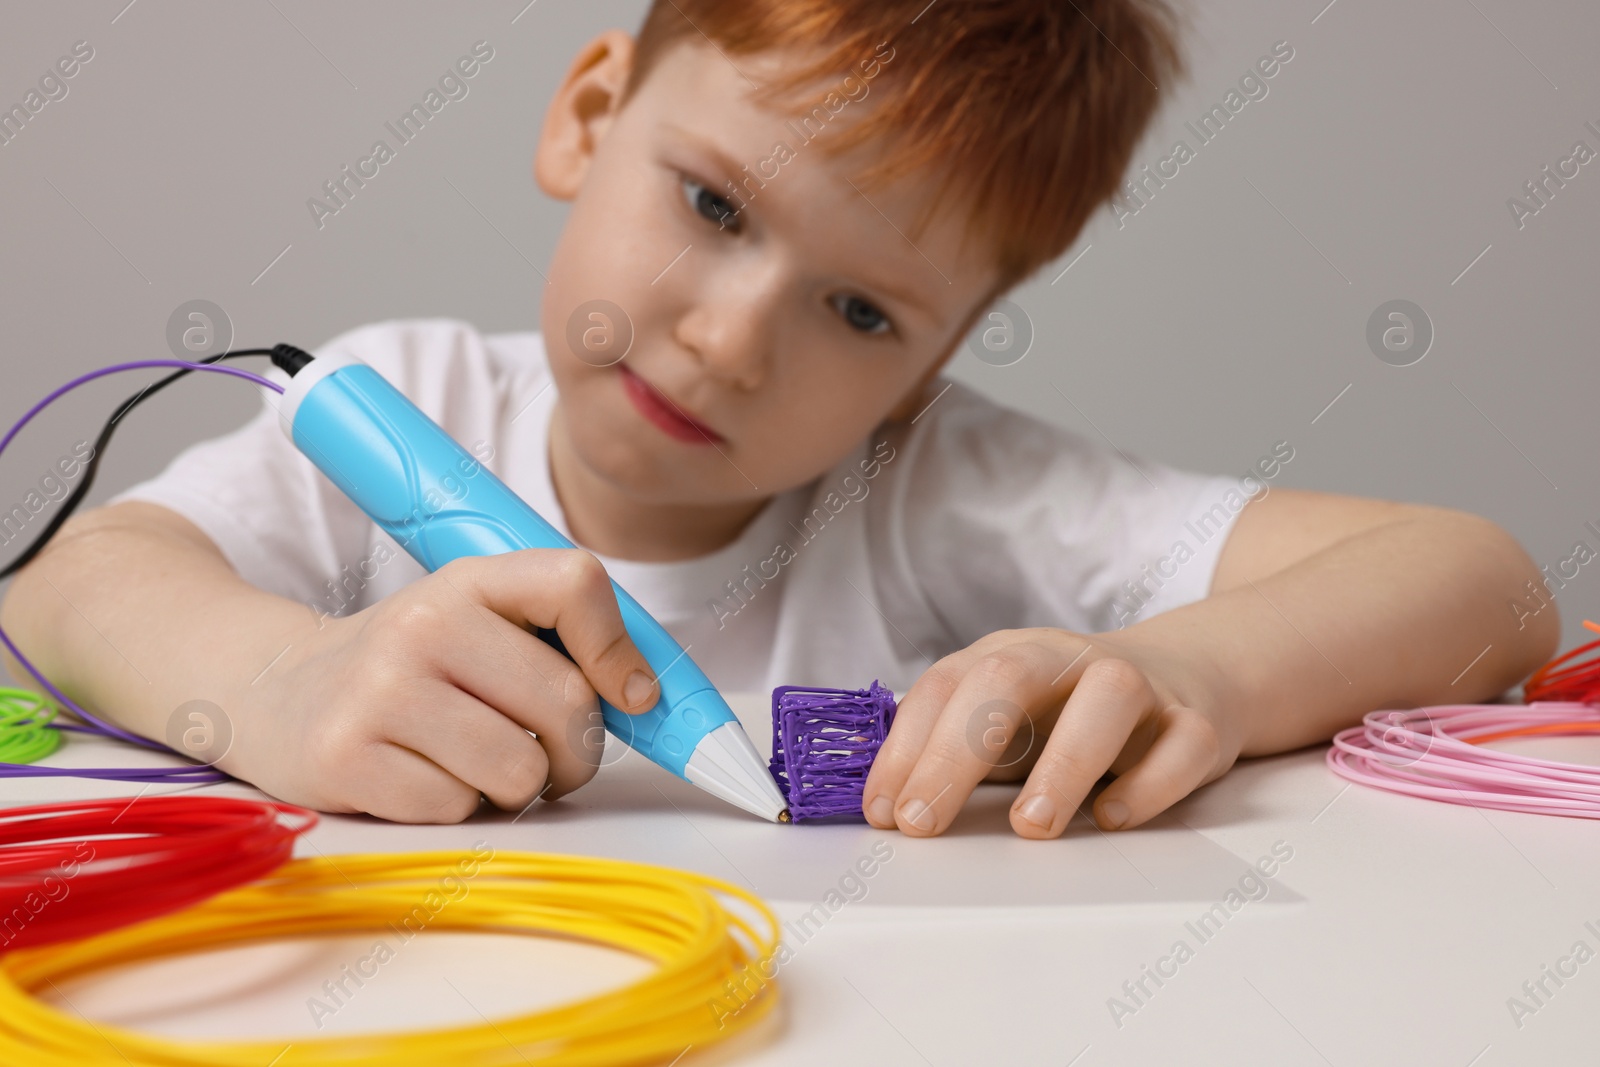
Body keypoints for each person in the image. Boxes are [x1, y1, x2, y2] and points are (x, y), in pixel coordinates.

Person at [0, 0, 1558, 837]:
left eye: (864, 312)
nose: (733, 338)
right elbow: (65, 586)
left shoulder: (931, 487)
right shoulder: (405, 411)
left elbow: (1482, 583)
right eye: (712, 204)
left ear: (935, 362)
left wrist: (1183, 666)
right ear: (590, 116)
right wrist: (274, 680)